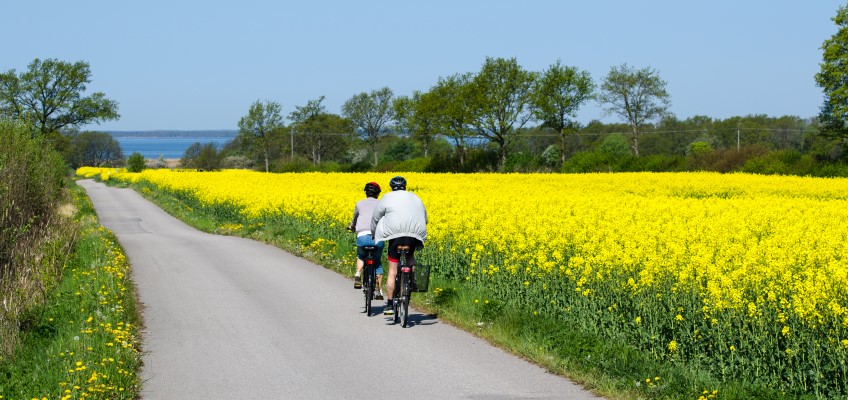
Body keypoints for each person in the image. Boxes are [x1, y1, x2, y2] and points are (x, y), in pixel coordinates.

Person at [370, 176, 427, 315]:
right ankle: (412, 281)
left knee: (392, 271)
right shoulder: (415, 197)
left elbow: (376, 217)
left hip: (395, 237)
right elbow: (425, 217)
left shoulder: (387, 197)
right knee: (410, 257)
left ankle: (389, 305)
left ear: (391, 187)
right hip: (413, 236)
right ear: (405, 187)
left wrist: (373, 233)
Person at [348, 182, 385, 300]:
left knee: (361, 255)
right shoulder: (381, 204)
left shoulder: (359, 203)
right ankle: (379, 291)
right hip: (377, 237)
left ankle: (358, 274)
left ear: (366, 192)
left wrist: (352, 227)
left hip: (362, 236)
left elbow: (355, 219)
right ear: (378, 194)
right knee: (377, 261)